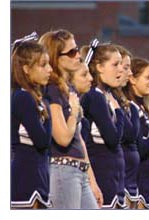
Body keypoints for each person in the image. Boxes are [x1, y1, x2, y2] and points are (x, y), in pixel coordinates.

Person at [39, 29, 102, 209]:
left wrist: (92, 180)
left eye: (77, 50)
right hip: (62, 169)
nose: (78, 57)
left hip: (79, 171)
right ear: (56, 58)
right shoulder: (52, 90)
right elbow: (62, 137)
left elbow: (79, 139)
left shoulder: (68, 89)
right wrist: (74, 112)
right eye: (72, 52)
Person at [80, 41, 125, 209]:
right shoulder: (95, 96)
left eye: (121, 64)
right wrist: (119, 111)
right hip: (102, 174)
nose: (121, 69)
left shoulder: (107, 95)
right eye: (115, 64)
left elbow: (127, 134)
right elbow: (113, 139)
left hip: (114, 176)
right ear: (99, 67)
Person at [11, 36, 53, 209]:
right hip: (26, 174)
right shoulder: (23, 97)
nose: (50, 70)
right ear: (26, 69)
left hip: (40, 172)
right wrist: (48, 109)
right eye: (43, 65)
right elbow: (43, 141)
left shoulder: (34, 98)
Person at [123, 57, 149, 209]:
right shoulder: (130, 106)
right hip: (136, 178)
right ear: (132, 79)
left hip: (147, 177)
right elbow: (141, 147)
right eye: (148, 77)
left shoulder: (143, 107)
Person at [112, 45, 140, 209]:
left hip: (130, 178)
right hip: (117, 178)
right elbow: (130, 134)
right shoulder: (108, 99)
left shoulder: (124, 100)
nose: (130, 73)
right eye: (126, 67)